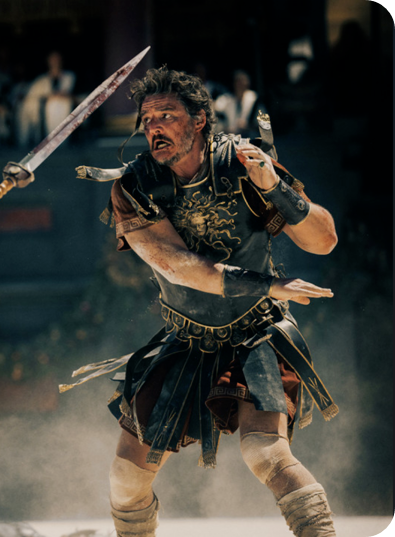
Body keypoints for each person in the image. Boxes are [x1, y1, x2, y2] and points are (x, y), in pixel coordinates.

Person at [69, 67, 339, 536]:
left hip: (256, 333)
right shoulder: (134, 186)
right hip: (186, 338)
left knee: (266, 454)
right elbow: (179, 267)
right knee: (125, 480)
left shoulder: (243, 164)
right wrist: (269, 285)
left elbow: (324, 241)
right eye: (147, 118)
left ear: (198, 121)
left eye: (166, 115)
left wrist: (273, 188)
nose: (154, 126)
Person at [17, 51, 75, 147]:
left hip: (63, 105)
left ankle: (62, 142)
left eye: (57, 59)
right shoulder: (42, 79)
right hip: (45, 107)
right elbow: (32, 95)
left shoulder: (68, 76)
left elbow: (67, 92)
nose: (55, 62)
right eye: (52, 59)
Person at [214, 70, 263, 136]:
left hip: (249, 136)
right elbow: (215, 109)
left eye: (243, 83)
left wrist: (248, 126)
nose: (240, 86)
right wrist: (224, 128)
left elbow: (264, 124)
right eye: (238, 83)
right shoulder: (226, 99)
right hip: (230, 135)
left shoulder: (254, 99)